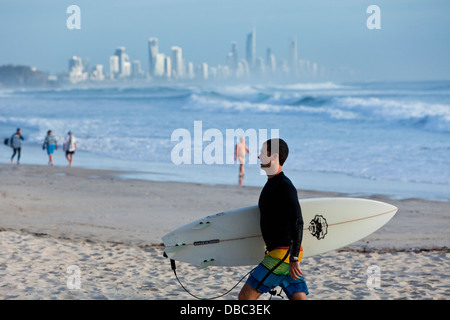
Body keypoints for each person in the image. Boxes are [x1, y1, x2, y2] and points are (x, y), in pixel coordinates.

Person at [238, 138, 308, 300]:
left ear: (274, 157)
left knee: (245, 297)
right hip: (283, 255)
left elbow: (298, 221)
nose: (258, 157)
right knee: (299, 298)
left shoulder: (284, 186)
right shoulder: (273, 183)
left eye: (263, 153)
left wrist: (294, 258)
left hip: (283, 256)